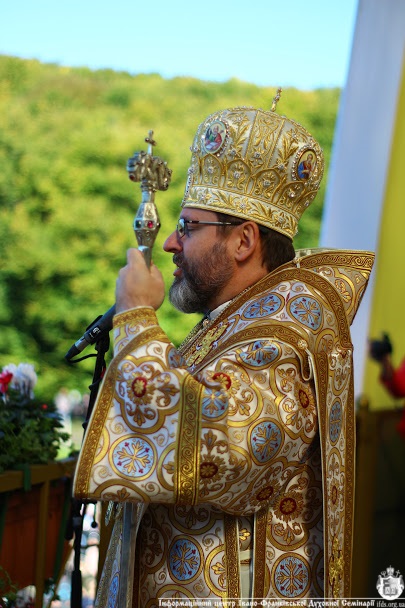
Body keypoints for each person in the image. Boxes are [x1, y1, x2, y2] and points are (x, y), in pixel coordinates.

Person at [73, 101, 374, 604]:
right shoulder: (230, 325)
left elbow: (224, 450)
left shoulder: (284, 337)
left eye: (188, 226)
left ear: (243, 241)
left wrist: (136, 319)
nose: (170, 242)